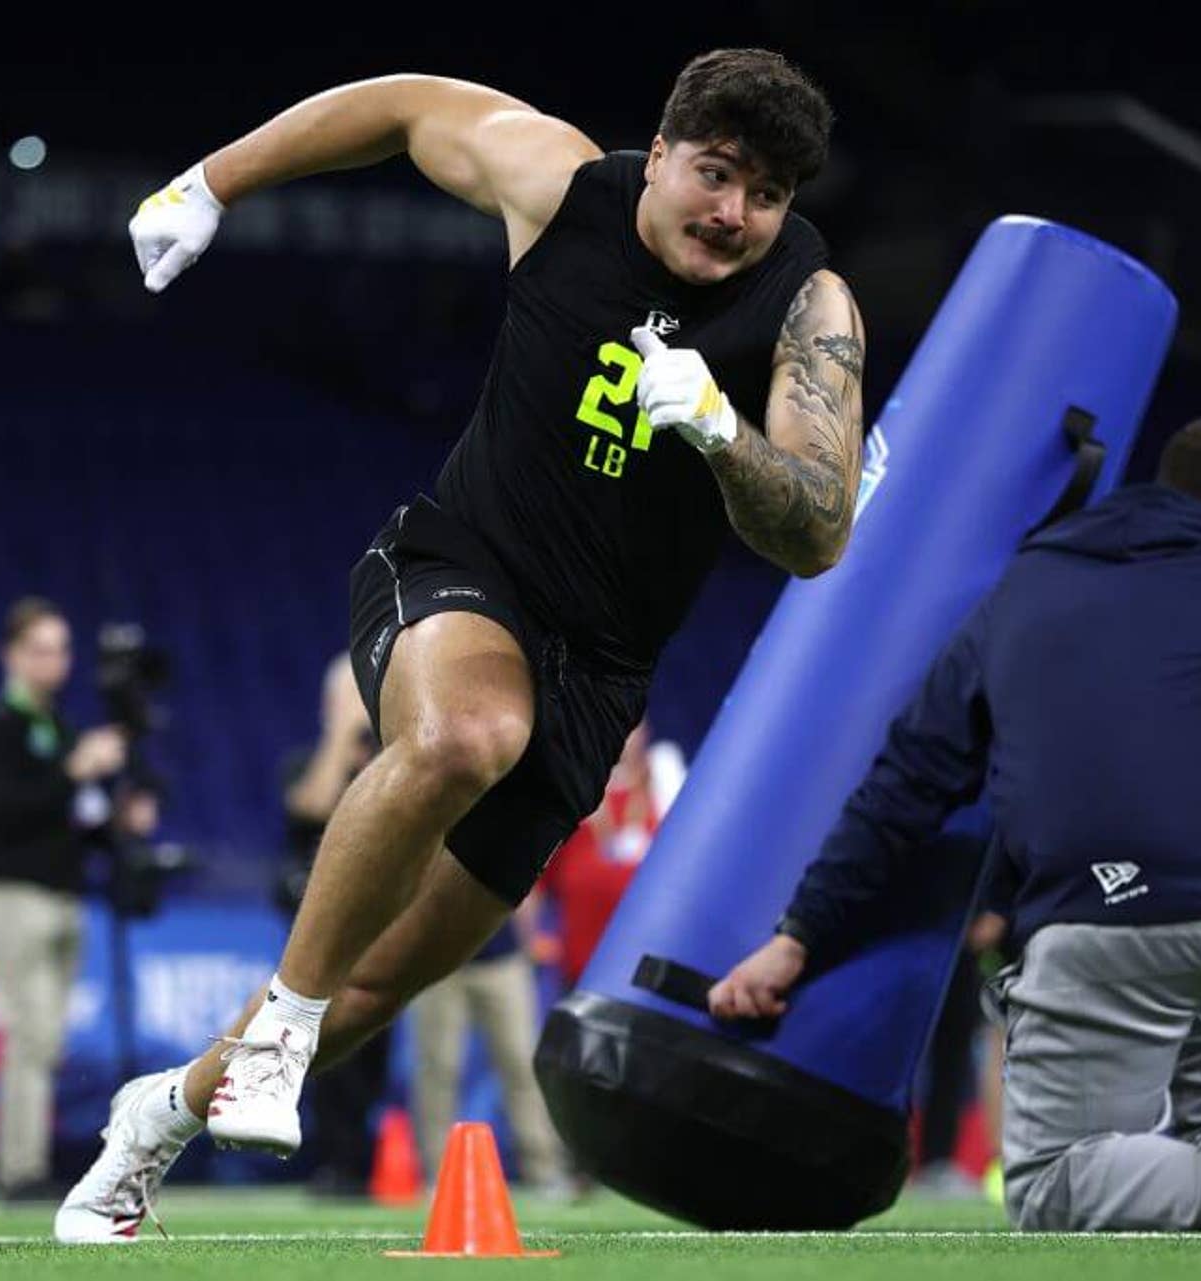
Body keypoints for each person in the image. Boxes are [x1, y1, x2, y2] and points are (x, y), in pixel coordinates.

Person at [57, 49, 865, 1240]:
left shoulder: (807, 304)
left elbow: (819, 534)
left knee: (380, 982)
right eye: (717, 173)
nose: (735, 213)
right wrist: (210, 184)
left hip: (600, 672)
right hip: (463, 567)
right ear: (661, 151)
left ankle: (155, 1122)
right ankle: (279, 1034)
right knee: (469, 735)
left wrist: (719, 430)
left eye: (768, 194)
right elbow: (400, 106)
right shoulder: (558, 184)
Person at [710, 417, 1201, 1234]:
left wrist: (800, 932)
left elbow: (911, 778)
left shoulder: (1030, 580)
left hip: (1122, 903)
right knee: (1199, 883)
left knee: (1053, 1185)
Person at [0, 597, 135, 1202]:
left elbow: (75, 820)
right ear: (11, 655)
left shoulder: (58, 728)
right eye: (39, 649)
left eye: (61, 649)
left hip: (64, 895)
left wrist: (117, 815)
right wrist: (74, 772)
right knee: (30, 1037)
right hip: (14, 896)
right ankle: (19, 1172)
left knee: (46, 1041)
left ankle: (26, 1164)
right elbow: (4, 810)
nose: (53, 662)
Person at [275, 654, 389, 1195]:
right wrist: (342, 735)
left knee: (371, 1051)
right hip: (320, 936)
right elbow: (313, 805)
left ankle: (361, 1161)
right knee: (320, 1045)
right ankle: (328, 1159)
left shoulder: (392, 759)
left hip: (379, 933)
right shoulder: (307, 762)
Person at [408, 917, 565, 1195]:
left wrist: (528, 938)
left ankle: (546, 1171)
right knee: (438, 1070)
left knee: (522, 1066)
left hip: (502, 958)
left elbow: (527, 895)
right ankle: (438, 1177)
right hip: (439, 963)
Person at [529, 721, 664, 991]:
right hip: (579, 967)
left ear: (644, 734)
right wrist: (530, 938)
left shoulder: (665, 787)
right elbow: (537, 881)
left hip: (643, 966)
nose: (623, 735)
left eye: (632, 728)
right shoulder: (572, 792)